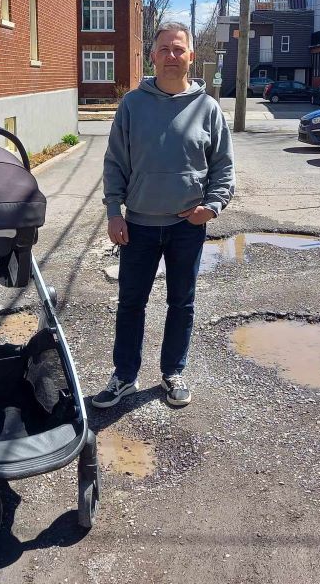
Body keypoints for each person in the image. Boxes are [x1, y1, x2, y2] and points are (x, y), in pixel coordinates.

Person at [92, 22, 235, 409]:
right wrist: (113, 212)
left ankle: (173, 372)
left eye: (179, 49)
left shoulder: (207, 108)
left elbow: (223, 166)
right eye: (164, 49)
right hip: (137, 225)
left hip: (186, 227)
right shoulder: (132, 105)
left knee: (182, 303)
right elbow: (115, 163)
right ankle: (124, 376)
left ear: (191, 56)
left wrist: (213, 206)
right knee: (130, 304)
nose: (172, 56)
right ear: (152, 56)